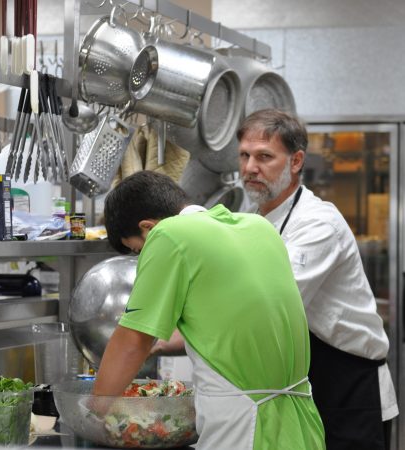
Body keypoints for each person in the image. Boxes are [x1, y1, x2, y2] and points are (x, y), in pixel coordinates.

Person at [92, 170, 325, 450]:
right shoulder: (259, 228)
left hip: (245, 428)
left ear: (148, 228)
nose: (144, 256)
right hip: (301, 422)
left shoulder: (168, 234)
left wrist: (95, 412)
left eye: (139, 250)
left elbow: (133, 341)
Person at [237, 108, 398, 450]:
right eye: (245, 155)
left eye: (264, 156)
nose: (250, 167)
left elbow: (274, 303)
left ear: (296, 161)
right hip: (301, 384)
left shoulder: (318, 223)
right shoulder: (249, 221)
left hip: (349, 387)